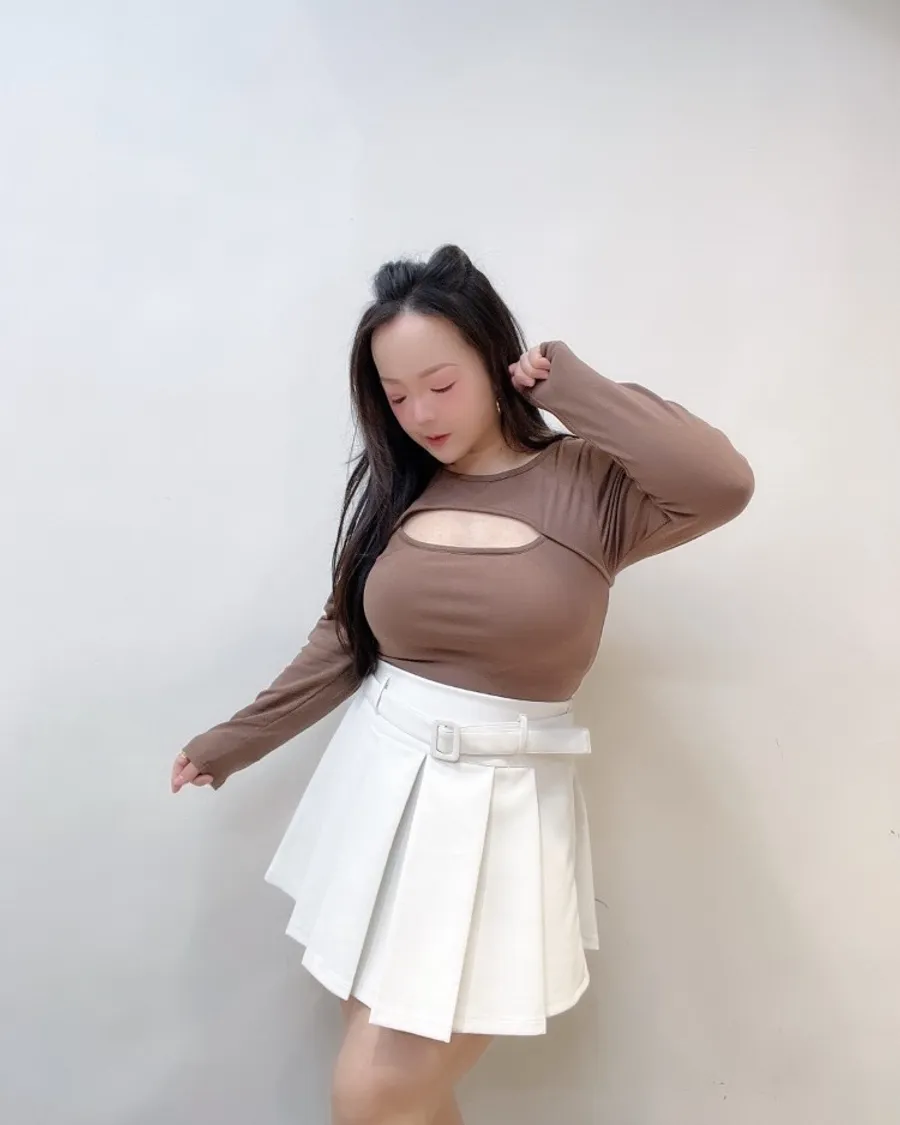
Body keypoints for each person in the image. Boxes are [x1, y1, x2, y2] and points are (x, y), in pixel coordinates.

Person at [170, 244, 754, 1125]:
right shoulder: (400, 489)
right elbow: (345, 637)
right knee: (402, 1088)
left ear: (492, 358)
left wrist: (566, 384)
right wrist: (230, 743)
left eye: (440, 385)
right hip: (382, 791)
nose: (419, 414)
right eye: (397, 396)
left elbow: (721, 482)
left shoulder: (592, 489)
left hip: (502, 811)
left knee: (376, 1090)